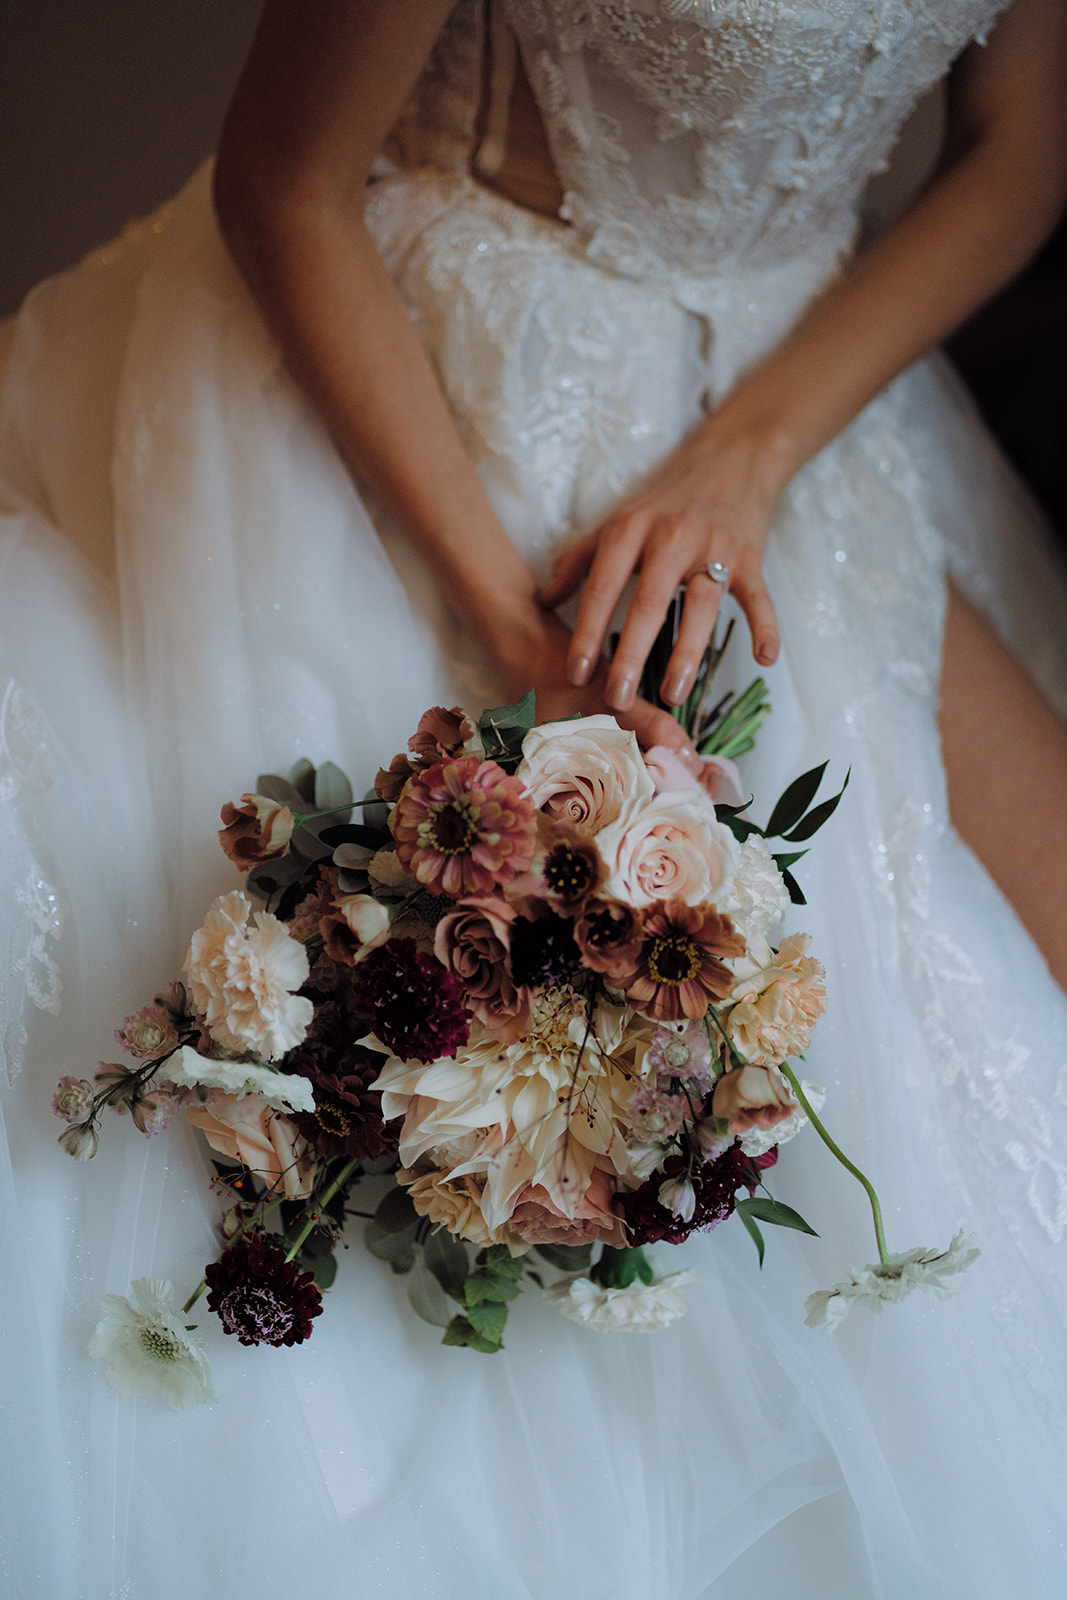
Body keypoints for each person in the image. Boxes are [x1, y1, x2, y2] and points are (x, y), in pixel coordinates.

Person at [2, 2, 1067, 1596]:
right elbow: (282, 181)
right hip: (452, 391)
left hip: (809, 402)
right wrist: (517, 642)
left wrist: (756, 453)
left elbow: (1021, 154)